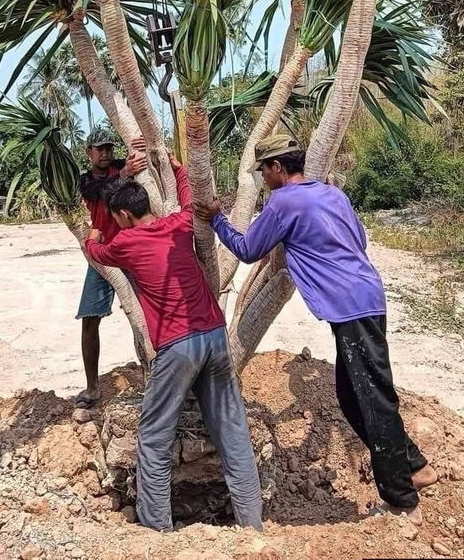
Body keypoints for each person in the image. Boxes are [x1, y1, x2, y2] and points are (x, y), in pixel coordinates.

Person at [195, 134, 437, 526]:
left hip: (349, 306)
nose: (264, 179)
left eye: (265, 171)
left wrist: (216, 220)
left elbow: (247, 249)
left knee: (373, 399)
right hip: (365, 296)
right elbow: (357, 240)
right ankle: (413, 463)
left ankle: (401, 498)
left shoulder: (284, 202)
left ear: (276, 167)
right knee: (350, 395)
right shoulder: (332, 194)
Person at [84, 154, 263, 533]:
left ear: (125, 216)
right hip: (215, 337)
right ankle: (252, 525)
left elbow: (97, 251)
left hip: (178, 348)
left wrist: (93, 235)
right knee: (233, 433)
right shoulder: (179, 226)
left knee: (153, 437)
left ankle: (157, 530)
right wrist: (181, 169)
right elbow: (189, 203)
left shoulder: (125, 244)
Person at [75, 133, 147, 408]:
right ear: (89, 152)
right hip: (103, 256)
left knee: (144, 317)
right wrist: (126, 174)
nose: (105, 153)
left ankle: (151, 375)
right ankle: (92, 387)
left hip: (131, 252)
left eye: (108, 148)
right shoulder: (86, 180)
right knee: (90, 318)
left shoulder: (122, 165)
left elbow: (144, 166)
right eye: (99, 149)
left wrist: (141, 148)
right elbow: (101, 193)